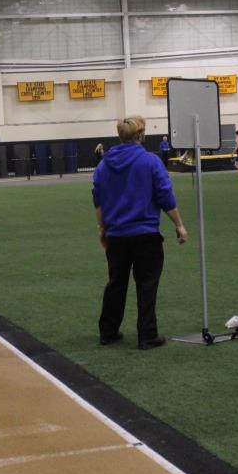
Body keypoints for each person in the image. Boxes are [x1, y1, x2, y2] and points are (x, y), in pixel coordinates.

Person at [92, 116, 187, 350]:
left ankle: (108, 332)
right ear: (141, 136)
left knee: (116, 283)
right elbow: (165, 195)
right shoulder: (150, 161)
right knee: (147, 285)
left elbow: (98, 201)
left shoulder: (104, 165)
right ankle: (147, 335)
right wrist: (179, 224)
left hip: (116, 235)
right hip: (145, 234)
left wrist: (102, 228)